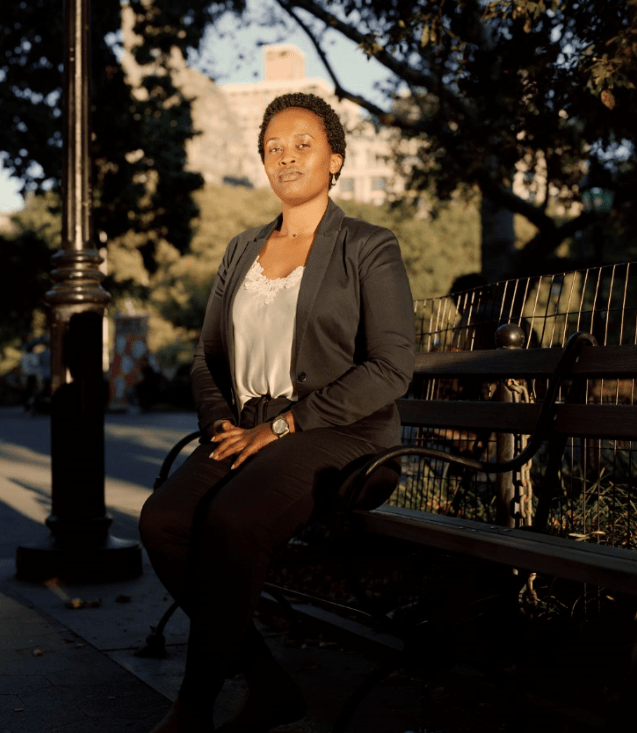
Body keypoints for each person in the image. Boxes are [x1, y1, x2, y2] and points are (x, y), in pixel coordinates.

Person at [140, 92, 415, 733]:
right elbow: (206, 359)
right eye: (273, 148)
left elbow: (392, 365)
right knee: (164, 521)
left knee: (233, 522)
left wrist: (285, 425)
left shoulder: (369, 246)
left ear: (336, 160)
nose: (286, 157)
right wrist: (219, 422)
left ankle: (194, 706)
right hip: (246, 432)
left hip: (340, 435)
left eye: (303, 145)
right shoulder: (241, 250)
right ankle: (267, 683)